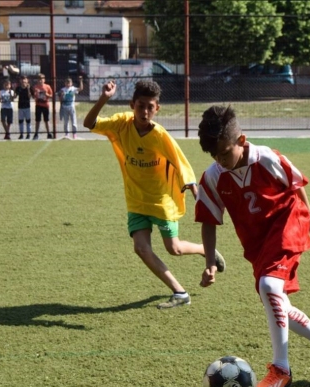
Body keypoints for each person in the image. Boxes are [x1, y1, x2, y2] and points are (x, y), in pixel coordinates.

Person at [195, 105, 310, 387]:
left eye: (224, 153)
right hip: (258, 242)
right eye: (214, 156)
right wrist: (210, 259)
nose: (220, 161)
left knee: (269, 286)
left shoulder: (266, 157)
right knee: (277, 302)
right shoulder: (213, 176)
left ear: (241, 141)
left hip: (288, 221)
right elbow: (209, 220)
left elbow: (295, 182)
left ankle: (281, 369)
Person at [83, 79, 226, 309]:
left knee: (174, 249)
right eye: (141, 106)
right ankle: (180, 292)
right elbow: (89, 123)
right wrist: (104, 98)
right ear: (132, 105)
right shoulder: (121, 124)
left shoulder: (159, 135)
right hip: (136, 201)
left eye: (150, 107)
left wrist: (193, 188)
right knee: (141, 248)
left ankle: (202, 249)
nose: (145, 112)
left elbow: (180, 161)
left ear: (157, 108)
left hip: (162, 202)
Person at [31, 73, 53, 140]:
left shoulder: (47, 86)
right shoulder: (35, 87)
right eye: (39, 79)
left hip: (45, 105)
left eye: (42, 79)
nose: (41, 81)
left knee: (46, 120)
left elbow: (51, 95)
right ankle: (36, 133)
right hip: (38, 105)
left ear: (44, 80)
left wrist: (46, 94)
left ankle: (49, 133)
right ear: (37, 80)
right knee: (38, 120)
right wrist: (35, 94)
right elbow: (33, 96)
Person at [14, 75, 32, 140]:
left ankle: (28, 134)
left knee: (28, 121)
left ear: (27, 80)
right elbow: (15, 96)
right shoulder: (18, 88)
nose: (23, 80)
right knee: (21, 121)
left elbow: (30, 96)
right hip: (20, 107)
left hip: (27, 106)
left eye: (25, 79)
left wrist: (28, 89)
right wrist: (14, 90)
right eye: (22, 79)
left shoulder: (29, 87)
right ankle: (21, 134)